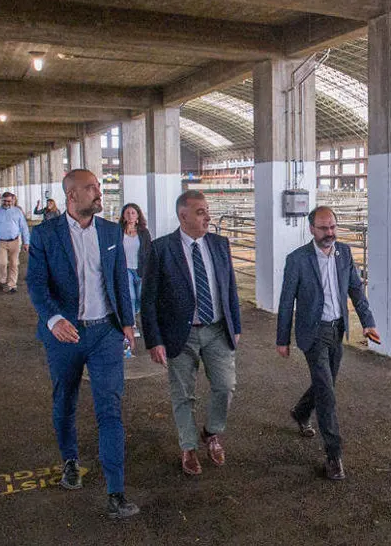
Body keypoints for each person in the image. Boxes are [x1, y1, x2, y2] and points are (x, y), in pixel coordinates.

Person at [27, 169, 139, 520]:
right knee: (66, 400)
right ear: (72, 196)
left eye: (98, 187)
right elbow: (37, 285)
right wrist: (53, 319)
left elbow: (119, 277)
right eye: (91, 187)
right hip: (64, 336)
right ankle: (70, 460)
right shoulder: (45, 235)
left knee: (110, 409)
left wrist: (127, 323)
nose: (98, 192)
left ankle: (116, 491)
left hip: (105, 333)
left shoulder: (109, 231)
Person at [141, 191, 241, 477]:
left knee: (225, 385)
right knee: (183, 394)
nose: (207, 216)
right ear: (182, 216)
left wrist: (236, 326)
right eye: (200, 212)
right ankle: (188, 447)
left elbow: (229, 287)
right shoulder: (161, 249)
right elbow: (148, 299)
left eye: (207, 210)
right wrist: (154, 339)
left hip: (218, 330)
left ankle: (212, 431)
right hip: (179, 334)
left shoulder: (220, 244)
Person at [276, 206, 379, 481]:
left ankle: (300, 412)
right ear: (311, 229)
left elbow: (356, 289)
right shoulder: (297, 260)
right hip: (313, 333)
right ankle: (334, 455)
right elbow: (286, 302)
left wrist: (368, 322)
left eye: (332, 227)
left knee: (326, 385)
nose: (329, 233)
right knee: (327, 394)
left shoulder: (344, 253)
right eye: (323, 228)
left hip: (337, 330)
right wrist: (282, 339)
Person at [0, 192, 31, 294]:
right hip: (0, 242)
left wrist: (26, 242)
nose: (7, 203)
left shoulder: (18, 212)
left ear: (13, 201)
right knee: (2, 263)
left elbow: (24, 227)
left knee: (14, 264)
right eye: (5, 201)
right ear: (1, 200)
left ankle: (12, 285)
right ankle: (2, 282)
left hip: (15, 242)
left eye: (9, 201)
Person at [119, 203, 151, 336]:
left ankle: (139, 317)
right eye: (127, 213)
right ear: (123, 216)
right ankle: (132, 325)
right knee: (130, 297)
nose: (130, 215)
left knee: (140, 298)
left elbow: (148, 250)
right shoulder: (119, 231)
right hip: (125, 269)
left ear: (138, 215)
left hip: (141, 269)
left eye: (133, 213)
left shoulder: (143, 232)